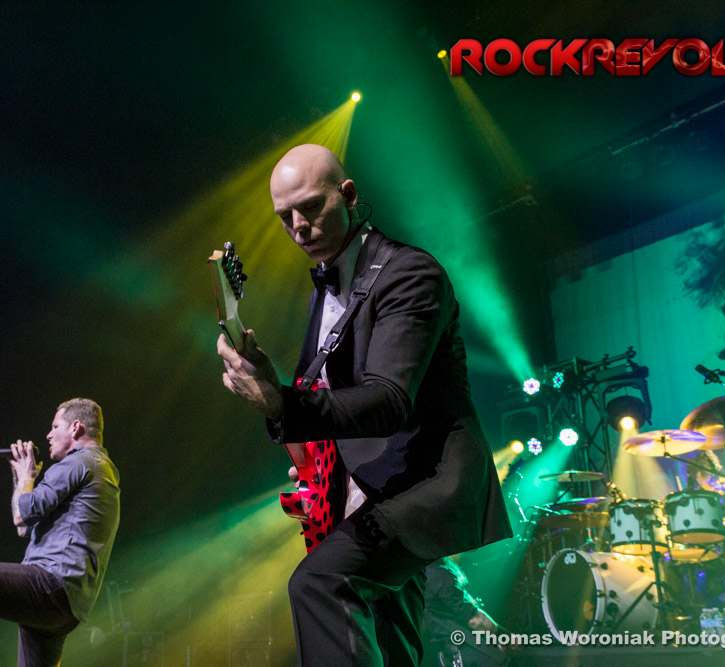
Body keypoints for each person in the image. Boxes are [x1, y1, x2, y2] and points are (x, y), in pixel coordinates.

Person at [217, 144, 511, 666]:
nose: (298, 226)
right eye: (285, 217)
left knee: (320, 584)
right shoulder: (326, 288)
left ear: (348, 195)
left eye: (310, 207)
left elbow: (388, 400)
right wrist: (314, 467)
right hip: (373, 486)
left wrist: (281, 404)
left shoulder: (409, 273)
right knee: (393, 642)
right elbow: (324, 397)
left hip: (425, 483)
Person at [0, 398, 120, 667]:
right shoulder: (102, 468)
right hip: (69, 605)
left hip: (51, 582)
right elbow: (22, 525)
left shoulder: (78, 463)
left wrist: (27, 479)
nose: (48, 435)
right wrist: (23, 478)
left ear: (75, 427)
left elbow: (23, 513)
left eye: (55, 426)